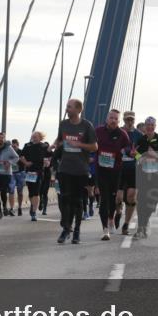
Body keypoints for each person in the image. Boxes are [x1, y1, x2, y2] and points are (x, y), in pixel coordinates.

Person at [53, 99, 97, 244]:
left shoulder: (87, 126)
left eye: (69, 107)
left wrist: (79, 144)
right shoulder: (63, 124)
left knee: (77, 201)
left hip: (80, 170)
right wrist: (54, 145)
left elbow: (94, 147)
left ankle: (76, 231)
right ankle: (66, 229)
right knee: (65, 200)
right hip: (65, 168)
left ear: (78, 109)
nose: (67, 109)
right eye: (66, 106)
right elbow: (60, 140)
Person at [94, 109, 130, 240]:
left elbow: (128, 147)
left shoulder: (122, 134)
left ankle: (111, 218)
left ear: (119, 121)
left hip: (116, 172)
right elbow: (90, 143)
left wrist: (125, 150)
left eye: (116, 119)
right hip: (101, 170)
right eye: (111, 118)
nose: (113, 120)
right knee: (104, 199)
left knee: (113, 200)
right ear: (106, 118)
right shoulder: (98, 131)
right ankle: (105, 230)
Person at [133, 116, 158, 239]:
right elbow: (136, 155)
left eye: (152, 125)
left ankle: (144, 223)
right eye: (147, 125)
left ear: (155, 126)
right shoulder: (140, 140)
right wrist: (139, 157)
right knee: (141, 202)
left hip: (156, 177)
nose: (149, 127)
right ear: (144, 126)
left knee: (152, 204)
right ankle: (141, 227)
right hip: (143, 176)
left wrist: (156, 155)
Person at [115, 110, 141, 234]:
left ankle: (126, 224)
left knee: (131, 197)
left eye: (132, 120)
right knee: (118, 198)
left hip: (133, 169)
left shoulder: (139, 135)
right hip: (119, 168)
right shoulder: (118, 132)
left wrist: (138, 155)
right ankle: (118, 212)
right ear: (124, 120)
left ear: (134, 120)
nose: (129, 122)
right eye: (127, 120)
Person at [18, 132, 48, 221]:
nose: (34, 138)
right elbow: (21, 156)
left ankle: (34, 212)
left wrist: (47, 162)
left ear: (40, 137)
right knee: (31, 193)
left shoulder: (44, 146)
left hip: (38, 171)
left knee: (36, 192)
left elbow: (49, 156)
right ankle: (34, 204)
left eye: (35, 137)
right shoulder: (27, 145)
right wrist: (26, 163)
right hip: (29, 172)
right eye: (33, 136)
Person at [0, 132, 18, 218]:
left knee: (3, 192)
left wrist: (9, 162)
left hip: (6, 174)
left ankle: (5, 207)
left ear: (4, 139)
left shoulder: (9, 148)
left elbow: (16, 157)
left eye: (2, 138)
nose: (0, 139)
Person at [10, 138, 27, 216]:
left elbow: (25, 161)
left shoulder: (21, 152)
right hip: (12, 173)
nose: (13, 147)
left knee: (20, 192)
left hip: (20, 173)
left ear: (17, 145)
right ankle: (12, 208)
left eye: (15, 146)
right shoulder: (9, 152)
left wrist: (21, 159)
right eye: (12, 146)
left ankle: (19, 207)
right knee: (11, 189)